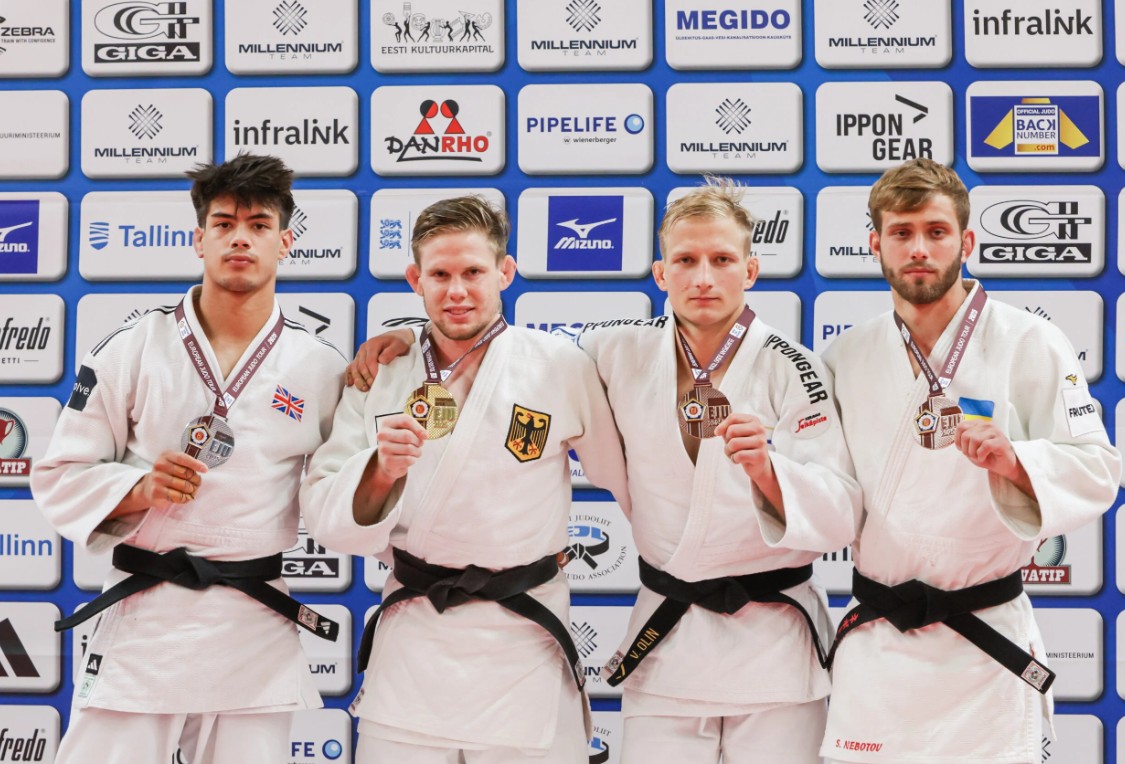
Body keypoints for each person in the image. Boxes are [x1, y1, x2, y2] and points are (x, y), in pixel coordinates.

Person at [350, 179, 860, 763]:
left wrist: (768, 472)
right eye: (685, 261)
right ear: (660, 273)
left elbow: (840, 515)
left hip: (773, 646)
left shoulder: (796, 368)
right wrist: (411, 337)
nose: (703, 278)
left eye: (722, 260)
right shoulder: (616, 350)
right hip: (670, 643)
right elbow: (505, 354)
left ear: (751, 270)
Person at [32, 154, 346, 764]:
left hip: (254, 620)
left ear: (285, 242)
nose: (240, 238)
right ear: (199, 239)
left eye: (259, 225)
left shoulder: (320, 367)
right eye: (224, 224)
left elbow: (342, 492)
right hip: (148, 610)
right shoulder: (131, 349)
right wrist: (140, 488)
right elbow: (60, 475)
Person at [300, 195, 630, 763]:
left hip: (523, 640)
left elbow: (624, 479)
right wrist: (381, 470)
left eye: (473, 272)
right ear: (416, 280)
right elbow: (328, 516)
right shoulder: (380, 374)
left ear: (505, 271)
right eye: (440, 275)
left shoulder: (560, 365)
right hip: (415, 641)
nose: (457, 291)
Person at [820, 158, 1121, 763]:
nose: (919, 249)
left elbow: (1096, 468)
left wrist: (1019, 463)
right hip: (880, 644)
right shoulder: (844, 356)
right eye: (901, 233)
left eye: (936, 231)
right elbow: (824, 488)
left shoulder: (1030, 341)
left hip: (984, 642)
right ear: (875, 244)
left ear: (967, 241)